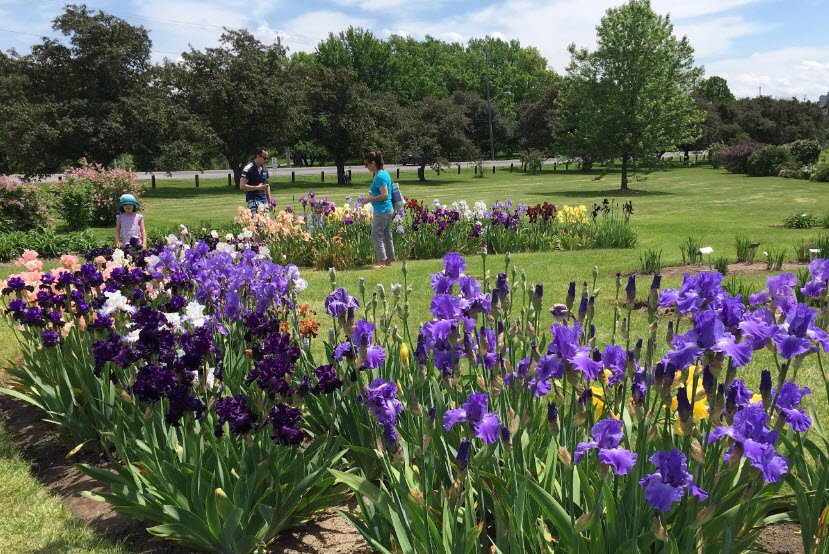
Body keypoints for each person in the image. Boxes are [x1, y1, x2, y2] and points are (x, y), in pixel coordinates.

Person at [364, 151, 395, 268]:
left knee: (376, 235)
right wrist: (373, 194)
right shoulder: (384, 173)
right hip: (387, 209)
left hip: (382, 211)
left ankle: (381, 262)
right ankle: (389, 260)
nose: (366, 167)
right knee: (387, 235)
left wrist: (369, 199)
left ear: (373, 163)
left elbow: (385, 195)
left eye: (367, 164)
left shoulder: (380, 176)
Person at [240, 147, 272, 216]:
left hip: (264, 201)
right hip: (253, 201)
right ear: (258, 156)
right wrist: (257, 187)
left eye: (267, 158)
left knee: (267, 224)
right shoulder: (248, 169)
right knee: (256, 224)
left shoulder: (265, 170)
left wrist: (270, 201)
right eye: (265, 158)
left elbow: (267, 186)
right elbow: (242, 186)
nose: (266, 160)